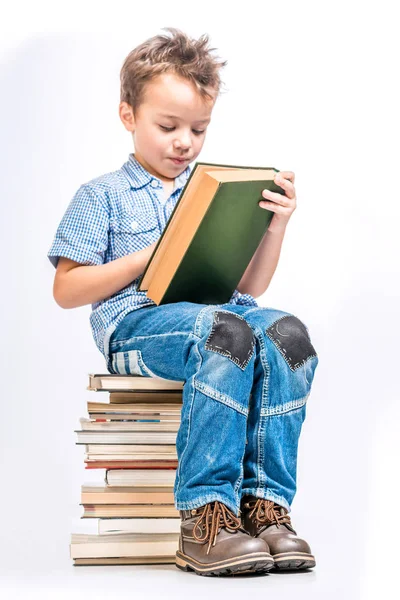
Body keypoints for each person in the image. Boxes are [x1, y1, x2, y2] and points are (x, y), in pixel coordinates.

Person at [48, 27, 319, 577]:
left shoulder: (212, 187)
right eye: (168, 126)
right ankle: (205, 518)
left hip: (221, 311)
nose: (184, 143)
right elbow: (66, 290)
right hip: (137, 324)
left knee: (288, 335)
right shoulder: (101, 195)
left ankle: (265, 509)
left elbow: (254, 287)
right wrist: (146, 259)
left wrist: (276, 225)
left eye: (198, 129)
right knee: (225, 332)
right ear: (128, 115)